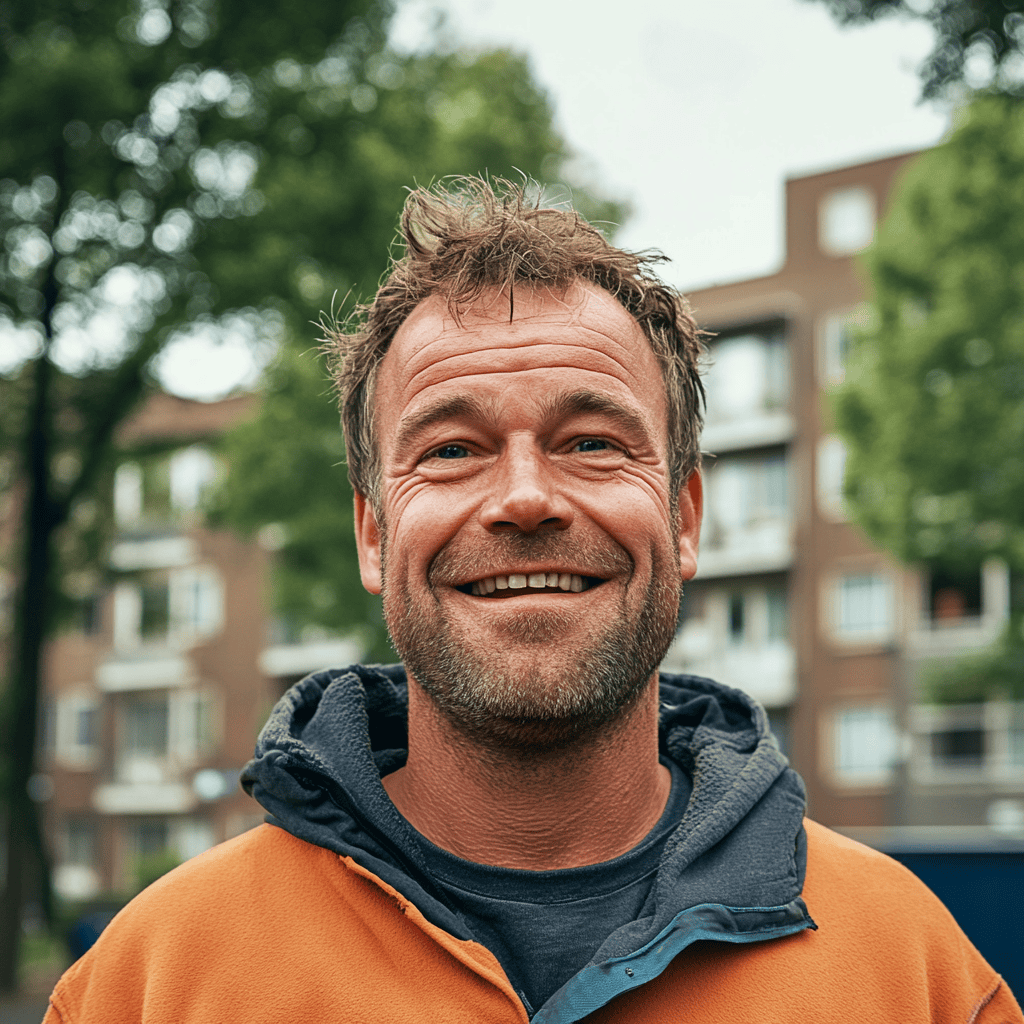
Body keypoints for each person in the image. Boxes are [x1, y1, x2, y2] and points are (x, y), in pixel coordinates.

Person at [45, 179, 1021, 1024]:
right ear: (373, 535)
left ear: (684, 518)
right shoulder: (147, 984)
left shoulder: (917, 975)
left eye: (592, 441)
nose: (524, 497)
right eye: (452, 449)